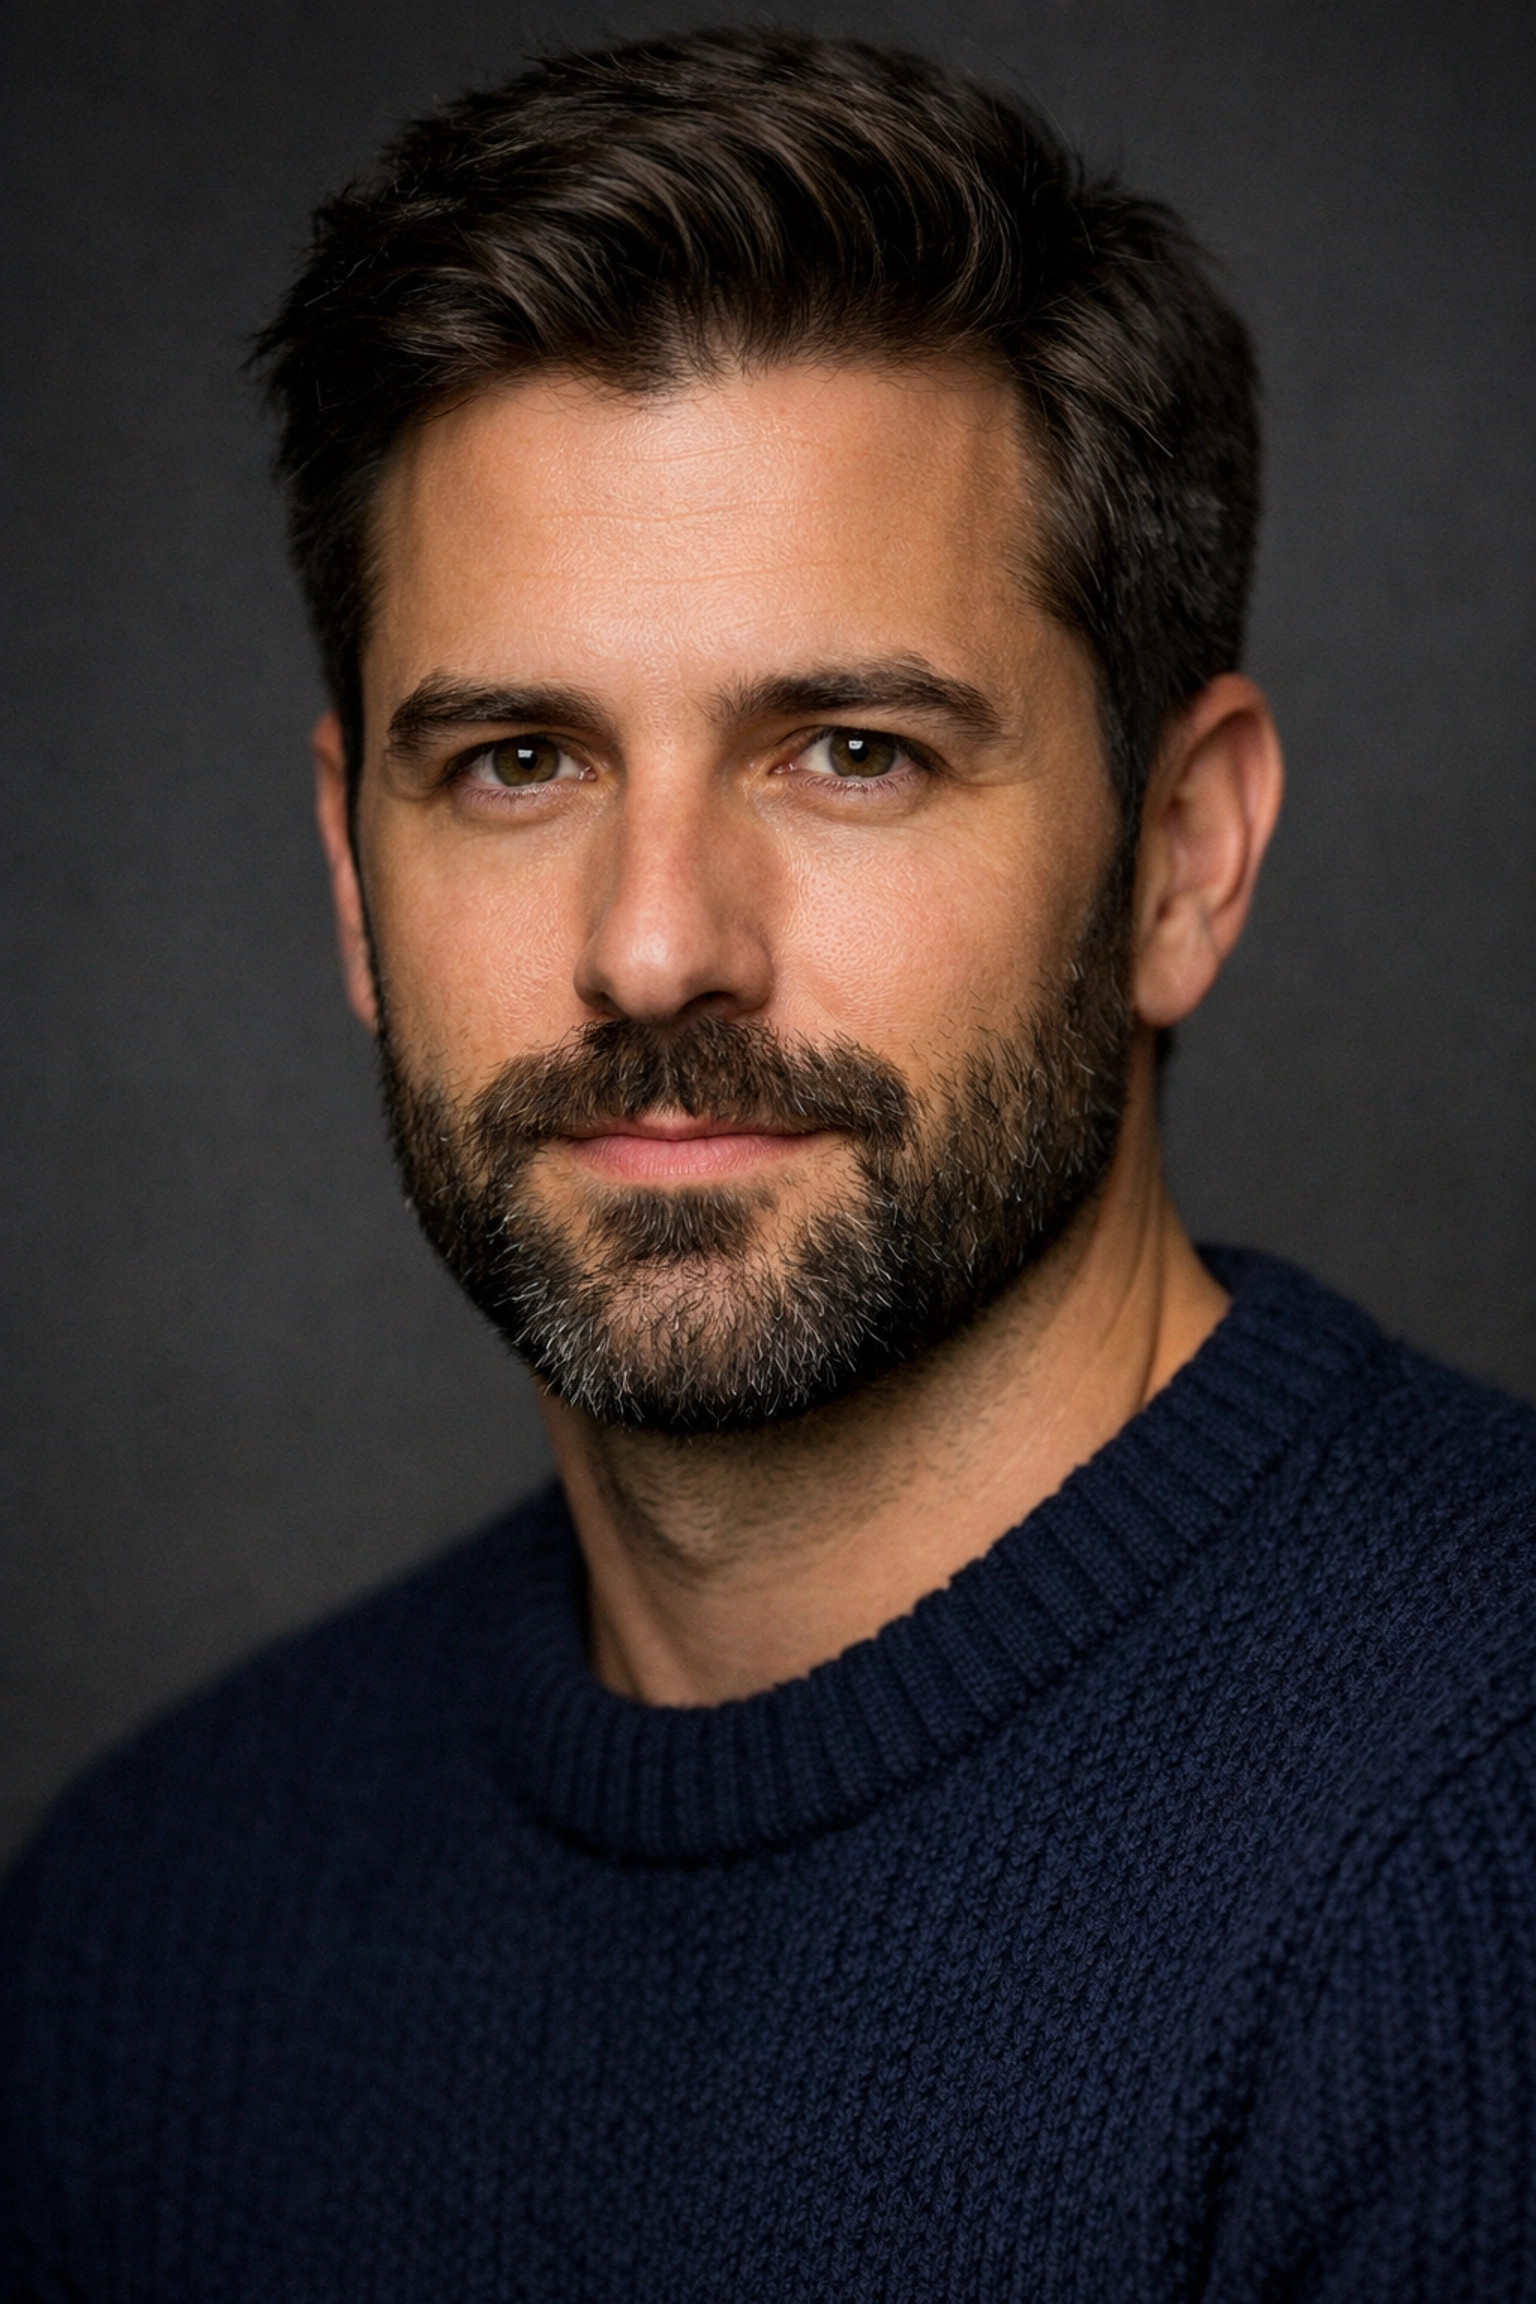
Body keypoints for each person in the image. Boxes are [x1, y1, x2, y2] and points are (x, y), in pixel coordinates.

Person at [3, 26, 1534, 2299]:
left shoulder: (1477, 1864)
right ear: (350, 874)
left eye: (849, 750)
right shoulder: (146, 1925)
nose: (651, 948)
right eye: (519, 762)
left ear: (1183, 858)